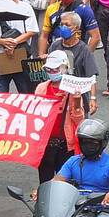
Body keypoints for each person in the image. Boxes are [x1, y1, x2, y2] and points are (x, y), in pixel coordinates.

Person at [34, 50, 85, 185]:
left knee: (65, 185)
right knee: (45, 184)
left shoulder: (73, 89)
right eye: (49, 69)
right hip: (46, 145)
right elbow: (35, 115)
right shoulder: (41, 88)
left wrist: (77, 102)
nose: (52, 71)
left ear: (64, 68)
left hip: (65, 146)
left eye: (56, 68)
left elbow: (79, 121)